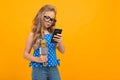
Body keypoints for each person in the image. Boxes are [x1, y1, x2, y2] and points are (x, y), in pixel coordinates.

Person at [23, 4, 65, 80]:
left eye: (52, 19)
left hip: (53, 68)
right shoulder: (33, 34)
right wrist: (38, 59)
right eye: (47, 17)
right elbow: (25, 54)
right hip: (39, 69)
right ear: (40, 16)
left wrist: (60, 41)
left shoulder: (52, 33)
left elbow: (63, 51)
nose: (49, 21)